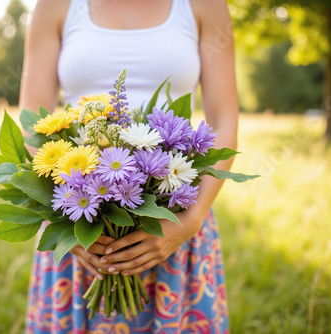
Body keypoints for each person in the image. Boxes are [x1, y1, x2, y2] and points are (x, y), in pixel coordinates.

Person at [19, 0, 238, 332]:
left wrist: (190, 222)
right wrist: (66, 231)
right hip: (78, 219)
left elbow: (224, 121)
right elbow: (32, 124)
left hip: (174, 214)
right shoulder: (55, 5)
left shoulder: (204, 5)